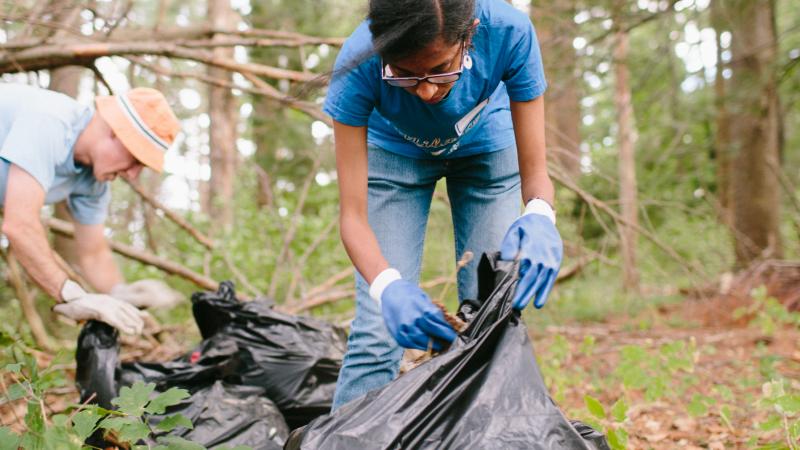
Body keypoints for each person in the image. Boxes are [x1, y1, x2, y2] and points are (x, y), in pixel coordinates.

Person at [324, 0, 564, 410]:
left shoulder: (508, 32)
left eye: (440, 69)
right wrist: (387, 286)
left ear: (469, 33)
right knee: (376, 331)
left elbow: (536, 173)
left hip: (487, 151)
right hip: (393, 156)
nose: (426, 90)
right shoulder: (357, 62)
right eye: (404, 74)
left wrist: (540, 214)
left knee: (489, 324)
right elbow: (352, 218)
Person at [0, 83, 183, 335]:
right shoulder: (49, 121)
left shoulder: (94, 181)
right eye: (135, 160)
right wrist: (71, 295)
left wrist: (123, 297)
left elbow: (94, 255)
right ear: (114, 133)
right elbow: (19, 225)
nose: (132, 175)